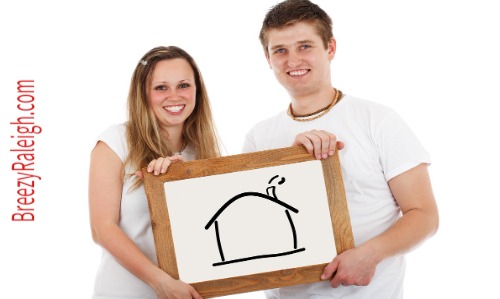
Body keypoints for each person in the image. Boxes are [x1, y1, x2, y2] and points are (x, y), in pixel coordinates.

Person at [242, 0, 439, 298]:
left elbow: (424, 215)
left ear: (330, 48)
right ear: (267, 59)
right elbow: (250, 226)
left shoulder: (379, 121)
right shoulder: (258, 136)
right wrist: (291, 163)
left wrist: (370, 254)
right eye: (280, 50)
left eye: (305, 46)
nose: (292, 60)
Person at [88, 46, 221, 299]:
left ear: (197, 91)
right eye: (161, 87)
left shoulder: (204, 152)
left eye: (183, 85)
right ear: (143, 93)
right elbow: (102, 228)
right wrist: (160, 281)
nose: (174, 96)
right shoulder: (115, 142)